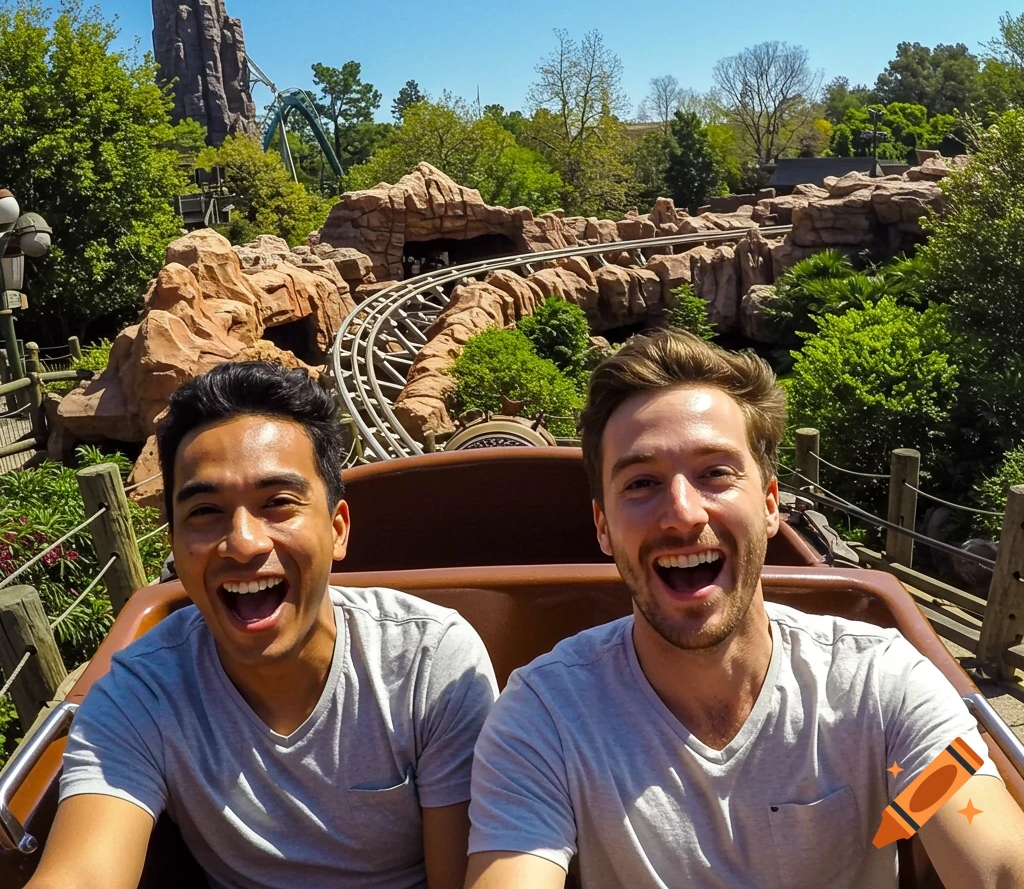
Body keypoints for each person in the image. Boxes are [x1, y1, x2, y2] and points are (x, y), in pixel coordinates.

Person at [465, 329, 1024, 889]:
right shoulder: (544, 717)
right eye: (641, 482)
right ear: (603, 526)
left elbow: (991, 851)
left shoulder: (882, 683)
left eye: (715, 473)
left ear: (770, 503)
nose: (683, 514)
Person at [28, 362, 497, 889]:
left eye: (278, 504)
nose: (244, 543)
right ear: (175, 545)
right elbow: (83, 874)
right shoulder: (141, 696)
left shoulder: (427, 661)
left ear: (337, 529)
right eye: (205, 511)